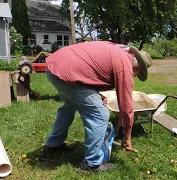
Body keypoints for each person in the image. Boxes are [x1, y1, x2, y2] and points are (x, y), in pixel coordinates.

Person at [43, 41, 152, 171]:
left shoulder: (117, 51)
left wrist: (97, 95)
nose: (134, 77)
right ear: (136, 68)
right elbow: (126, 106)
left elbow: (90, 69)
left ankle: (53, 145)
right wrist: (127, 136)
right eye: (137, 74)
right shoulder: (125, 66)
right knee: (100, 115)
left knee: (69, 107)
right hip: (67, 72)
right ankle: (92, 163)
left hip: (56, 66)